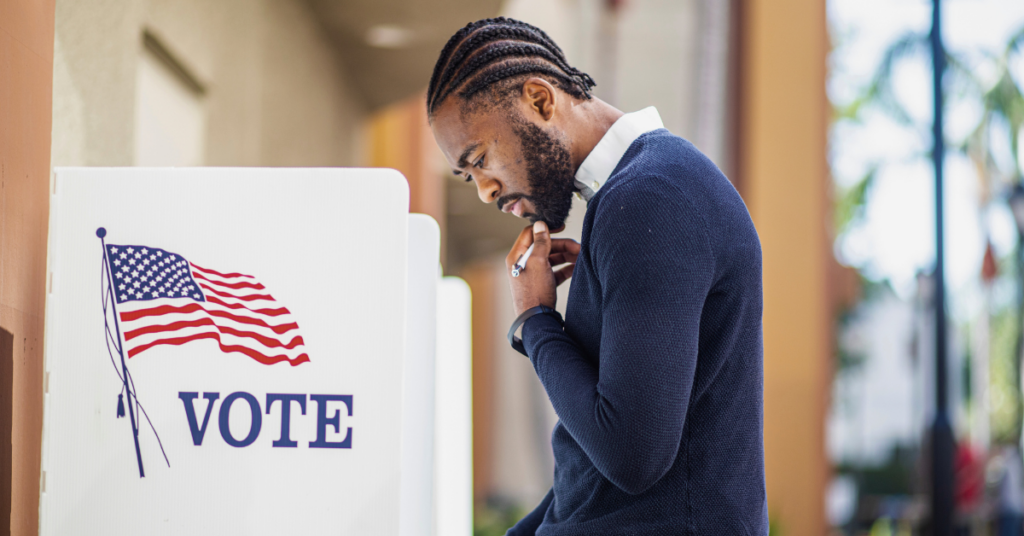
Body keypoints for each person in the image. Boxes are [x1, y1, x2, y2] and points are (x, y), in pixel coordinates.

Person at [427, 17, 767, 535]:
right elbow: (590, 477)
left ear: (540, 100)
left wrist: (536, 320)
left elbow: (632, 455)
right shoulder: (639, 196)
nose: (484, 191)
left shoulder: (650, 198)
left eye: (480, 160)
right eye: (468, 175)